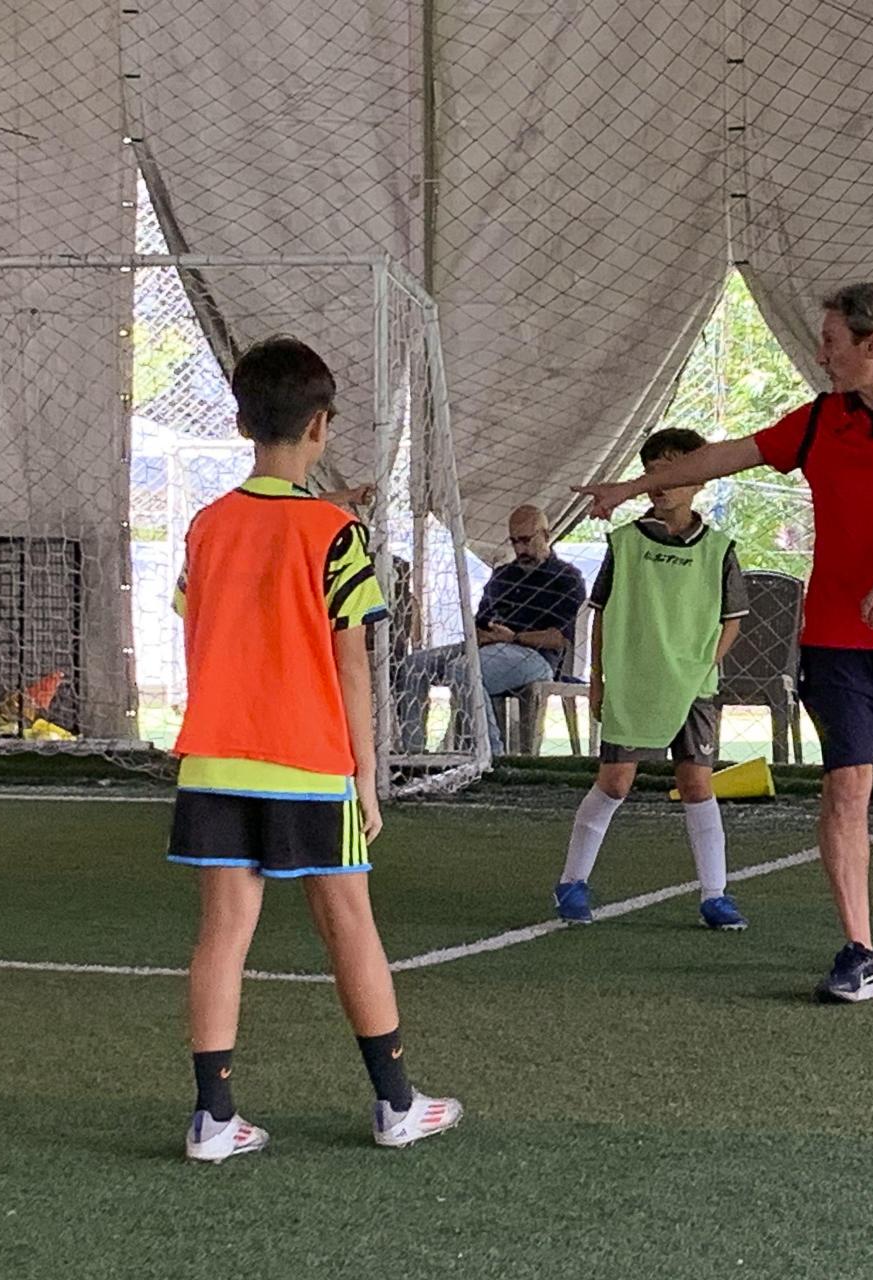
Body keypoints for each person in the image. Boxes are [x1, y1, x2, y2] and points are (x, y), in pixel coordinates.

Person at [575, 282, 873, 1004]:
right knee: (845, 788)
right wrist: (630, 484)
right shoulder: (818, 421)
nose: (821, 356)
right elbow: (721, 457)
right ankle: (858, 950)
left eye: (831, 342)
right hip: (835, 639)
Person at [166, 336, 460, 1162]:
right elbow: (354, 666)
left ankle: (212, 1119)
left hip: (215, 760)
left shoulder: (205, 525)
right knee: (351, 927)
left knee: (222, 934)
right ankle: (396, 1104)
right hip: (306, 763)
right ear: (322, 426)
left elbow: (193, 619)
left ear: (240, 421)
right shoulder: (338, 532)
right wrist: (368, 780)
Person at [555, 427, 752, 931]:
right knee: (616, 782)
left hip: (693, 688)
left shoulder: (719, 548)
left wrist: (702, 665)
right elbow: (600, 615)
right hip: (634, 680)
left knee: (697, 784)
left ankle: (715, 894)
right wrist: (598, 677)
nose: (663, 483)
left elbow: (732, 618)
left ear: (700, 479)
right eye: (653, 472)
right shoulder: (624, 543)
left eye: (675, 471)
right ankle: (572, 882)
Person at [396, 504, 588, 757]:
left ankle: (490, 756)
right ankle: (414, 755)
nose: (520, 549)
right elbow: (480, 623)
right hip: (489, 646)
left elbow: (558, 639)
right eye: (514, 541)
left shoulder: (567, 578)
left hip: (536, 657)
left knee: (464, 670)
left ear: (546, 535)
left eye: (526, 540)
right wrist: (482, 636)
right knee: (412, 665)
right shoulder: (502, 575)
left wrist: (514, 637)